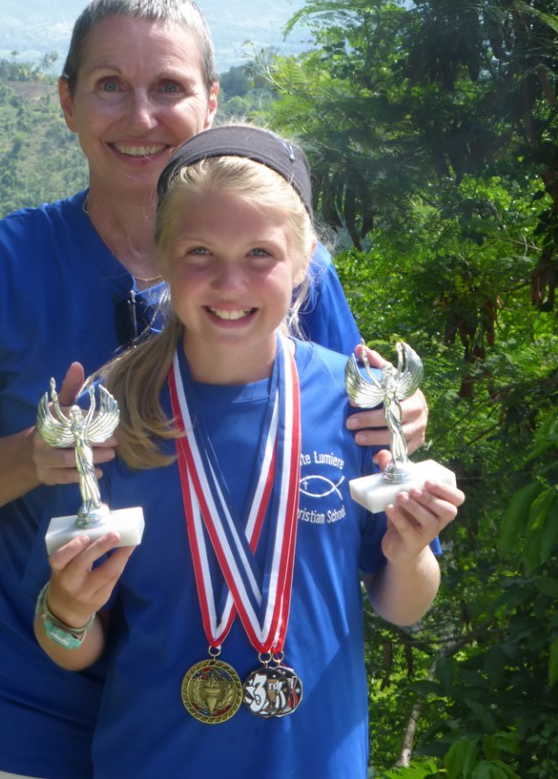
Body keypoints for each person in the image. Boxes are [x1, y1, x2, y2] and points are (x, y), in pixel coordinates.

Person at [0, 0, 428, 779]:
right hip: (34, 705)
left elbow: (347, 432)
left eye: (169, 88)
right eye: (110, 86)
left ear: (211, 103)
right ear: (67, 102)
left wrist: (401, 423)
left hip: (240, 731)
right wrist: (37, 457)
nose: (142, 117)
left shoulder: (296, 273)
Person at [36, 125, 464, 778]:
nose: (230, 282)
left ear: (303, 261)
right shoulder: (112, 411)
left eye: (260, 252)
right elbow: (75, 643)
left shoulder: (357, 404)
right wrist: (67, 609)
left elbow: (402, 603)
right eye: (200, 250)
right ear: (161, 256)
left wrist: (407, 551)